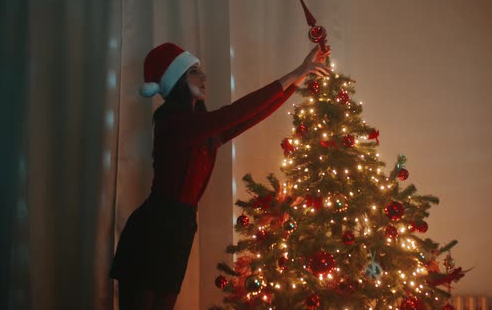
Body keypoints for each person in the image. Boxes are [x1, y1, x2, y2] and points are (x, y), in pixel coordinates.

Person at [110, 42, 330, 310]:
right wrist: (295, 73)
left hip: (179, 229)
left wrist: (299, 79)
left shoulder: (202, 128)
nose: (203, 78)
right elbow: (234, 113)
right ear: (177, 81)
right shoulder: (175, 124)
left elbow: (250, 116)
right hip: (151, 231)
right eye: (194, 72)